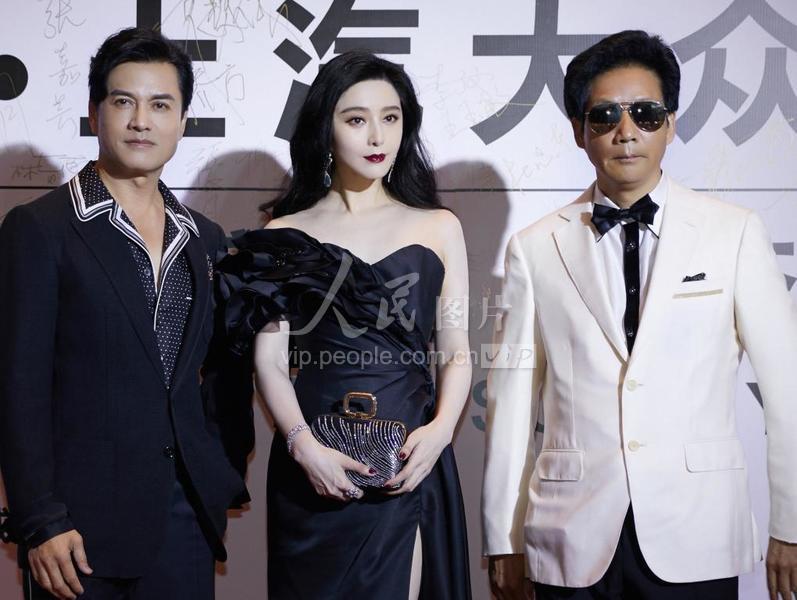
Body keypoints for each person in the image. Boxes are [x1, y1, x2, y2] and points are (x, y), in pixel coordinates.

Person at [482, 30, 797, 600]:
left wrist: (791, 524)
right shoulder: (535, 247)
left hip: (697, 528)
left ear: (670, 124)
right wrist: (504, 536)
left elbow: (787, 389)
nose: (626, 131)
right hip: (570, 533)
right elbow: (511, 400)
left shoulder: (733, 232)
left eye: (646, 114)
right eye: (604, 116)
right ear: (579, 131)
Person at [0, 28, 251, 600]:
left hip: (184, 518)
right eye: (123, 102)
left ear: (182, 121)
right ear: (95, 113)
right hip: (75, 527)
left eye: (160, 105)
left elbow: (223, 371)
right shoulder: (41, 228)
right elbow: (18, 384)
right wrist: (40, 517)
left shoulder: (205, 238)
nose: (142, 122)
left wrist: (218, 472)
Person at [215, 50, 472, 599]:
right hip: (315, 463)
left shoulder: (439, 227)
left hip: (407, 458)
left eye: (390, 117)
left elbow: (455, 349)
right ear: (325, 129)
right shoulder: (283, 233)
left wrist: (440, 432)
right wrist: (302, 445)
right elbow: (270, 362)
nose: (377, 135)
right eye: (356, 119)